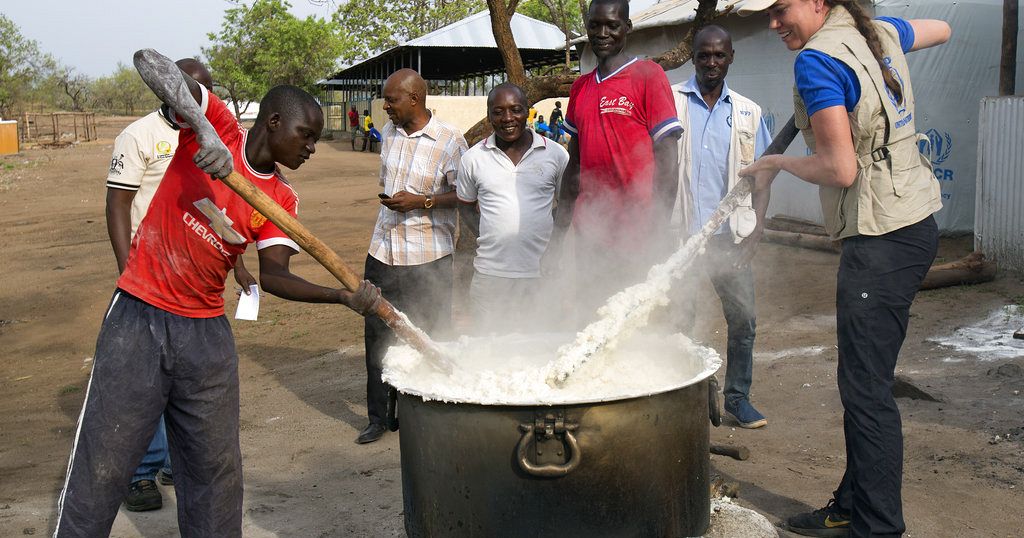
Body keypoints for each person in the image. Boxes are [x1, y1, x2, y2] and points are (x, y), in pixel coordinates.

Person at [54, 48, 382, 538]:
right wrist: (202, 129)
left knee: (214, 472)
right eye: (306, 136)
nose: (312, 147)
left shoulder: (282, 200)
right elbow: (150, 62)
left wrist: (340, 297)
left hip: (206, 337)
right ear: (273, 122)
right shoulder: (219, 126)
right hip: (139, 315)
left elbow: (274, 275)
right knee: (103, 462)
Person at [736, 1, 951, 536]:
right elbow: (943, 29)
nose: (773, 23)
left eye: (782, 9)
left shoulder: (817, 62)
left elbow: (838, 167)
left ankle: (877, 526)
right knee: (864, 380)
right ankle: (852, 504)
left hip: (880, 237)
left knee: (865, 389)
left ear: (817, 2)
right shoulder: (875, 31)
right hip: (915, 221)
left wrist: (774, 164)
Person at [104, 58, 257, 513]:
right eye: (191, 90)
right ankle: (140, 472)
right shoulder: (139, 136)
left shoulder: (220, 141)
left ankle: (174, 460)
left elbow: (221, 208)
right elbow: (117, 204)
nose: (198, 101)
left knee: (185, 378)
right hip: (148, 277)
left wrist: (240, 265)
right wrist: (127, 271)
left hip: (192, 279)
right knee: (144, 384)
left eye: (206, 91)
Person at [545, 0, 683, 319]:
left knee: (635, 322)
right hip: (591, 232)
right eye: (595, 25)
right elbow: (575, 167)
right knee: (593, 316)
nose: (603, 33)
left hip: (637, 232)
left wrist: (659, 230)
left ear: (627, 28)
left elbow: (668, 160)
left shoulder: (648, 75)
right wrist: (558, 234)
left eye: (612, 25)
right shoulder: (580, 88)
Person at [670, 25, 773, 430]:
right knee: (681, 321)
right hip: (681, 236)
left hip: (729, 239)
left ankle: (738, 399)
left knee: (744, 320)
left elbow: (761, 179)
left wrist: (758, 228)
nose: (711, 62)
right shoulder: (671, 102)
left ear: (731, 57)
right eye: (703, 55)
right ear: (693, 57)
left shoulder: (748, 112)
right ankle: (685, 400)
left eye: (719, 55)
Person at [360, 68, 467, 444]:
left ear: (414, 99)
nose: (385, 106)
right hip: (383, 251)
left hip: (429, 257)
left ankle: (431, 410)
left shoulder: (450, 141)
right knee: (377, 335)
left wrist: (422, 201)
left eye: (391, 99)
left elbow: (465, 196)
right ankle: (379, 417)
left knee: (431, 334)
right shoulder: (389, 133)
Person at [456, 83, 569, 333]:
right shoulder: (473, 159)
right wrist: (491, 237)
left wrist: (554, 244)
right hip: (490, 276)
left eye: (515, 110)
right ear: (489, 115)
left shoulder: (556, 154)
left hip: (541, 274)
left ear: (527, 111)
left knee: (541, 346)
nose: (507, 119)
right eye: (498, 112)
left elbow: (566, 206)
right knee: (488, 348)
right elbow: (465, 207)